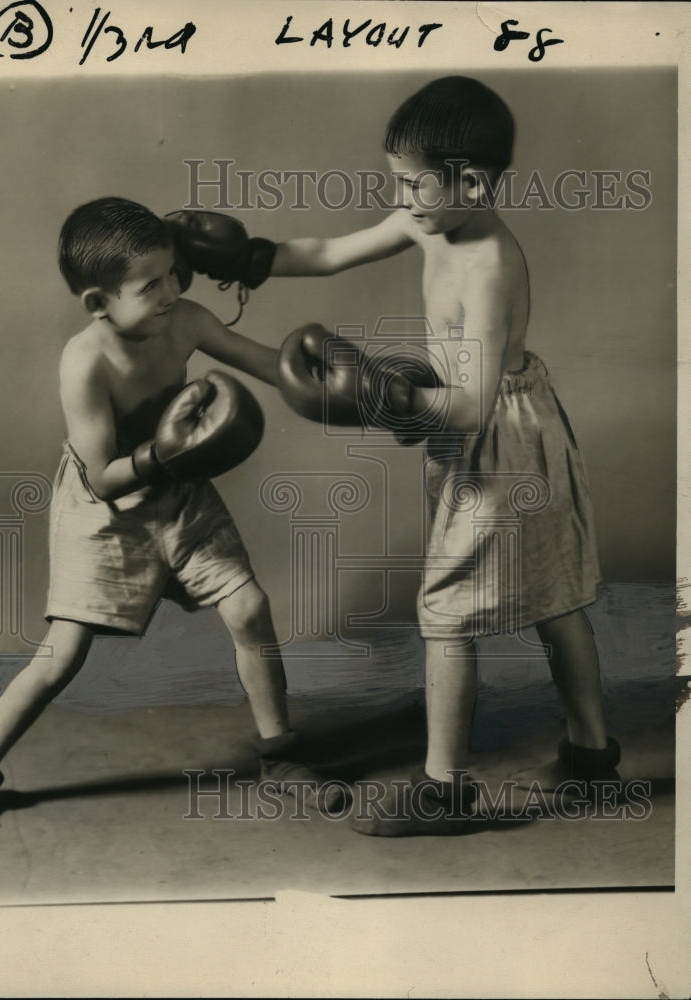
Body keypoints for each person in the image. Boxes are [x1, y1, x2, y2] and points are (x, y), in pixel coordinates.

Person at [266, 76, 622, 834]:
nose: (399, 198)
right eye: (395, 180)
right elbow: (328, 252)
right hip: (488, 436)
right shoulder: (431, 216)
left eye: (410, 183)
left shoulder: (490, 265)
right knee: (555, 602)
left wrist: (381, 394)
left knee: (447, 614)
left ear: (473, 183)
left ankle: (444, 789)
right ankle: (592, 760)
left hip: (501, 441)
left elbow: (470, 405)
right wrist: (249, 257)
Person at [0, 196, 339, 837]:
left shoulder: (185, 320)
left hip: (179, 493)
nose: (172, 291)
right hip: (105, 511)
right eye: (151, 285)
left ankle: (279, 755)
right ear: (99, 302)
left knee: (249, 608)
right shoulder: (84, 362)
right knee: (62, 655)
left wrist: (325, 379)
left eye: (174, 272)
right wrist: (162, 451)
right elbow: (100, 476)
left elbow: (265, 363)